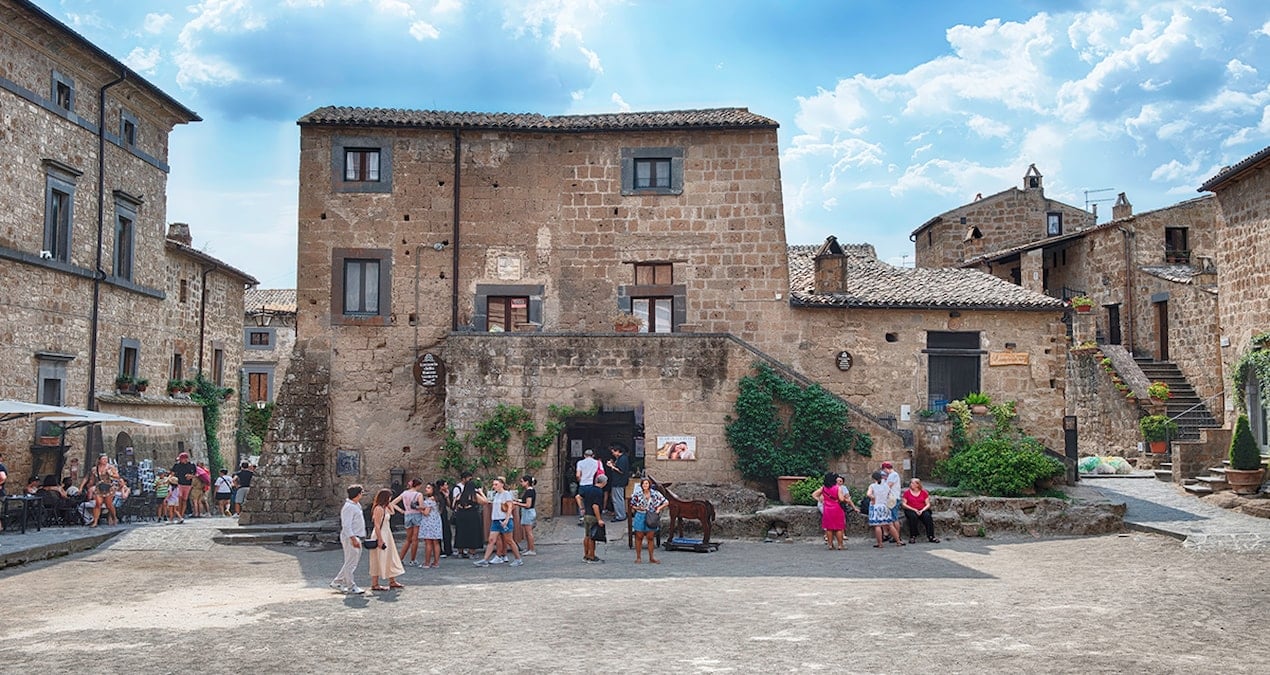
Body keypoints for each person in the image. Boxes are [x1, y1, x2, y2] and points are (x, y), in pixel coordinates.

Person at [474, 477, 523, 567]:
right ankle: (485, 560)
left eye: (496, 484)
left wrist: (506, 520)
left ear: (502, 485)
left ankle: (518, 559)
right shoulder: (496, 495)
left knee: (509, 540)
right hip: (496, 520)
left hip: (504, 520)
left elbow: (509, 508)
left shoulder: (506, 494)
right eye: (494, 484)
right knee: (491, 540)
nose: (494, 486)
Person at [330, 484, 367, 595]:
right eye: (361, 492)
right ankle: (351, 585)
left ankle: (337, 581)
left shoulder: (356, 505)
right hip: (351, 537)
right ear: (358, 494)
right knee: (351, 563)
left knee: (351, 562)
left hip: (356, 536)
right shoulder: (349, 507)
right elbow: (346, 525)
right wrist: (352, 538)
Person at [368, 488, 406, 591]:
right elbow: (376, 524)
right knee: (377, 558)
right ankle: (375, 583)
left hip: (387, 533)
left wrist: (389, 504)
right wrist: (380, 539)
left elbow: (392, 512)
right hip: (380, 534)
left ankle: (392, 580)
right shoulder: (378, 508)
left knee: (389, 556)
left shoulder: (385, 508)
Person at [812, 472, 859, 551]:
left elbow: (814, 494)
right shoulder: (838, 488)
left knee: (829, 528)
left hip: (827, 508)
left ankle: (830, 545)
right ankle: (840, 545)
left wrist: (821, 500)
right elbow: (841, 499)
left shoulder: (823, 488)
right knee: (839, 528)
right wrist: (846, 500)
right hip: (837, 508)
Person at [630, 477, 667, 563]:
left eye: (646, 483)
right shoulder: (637, 494)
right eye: (643, 484)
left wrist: (658, 508)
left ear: (649, 485)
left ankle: (651, 557)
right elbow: (632, 504)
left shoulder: (655, 494)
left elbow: (665, 502)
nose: (645, 485)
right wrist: (638, 507)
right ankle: (638, 557)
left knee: (650, 537)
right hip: (640, 515)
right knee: (639, 536)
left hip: (651, 516)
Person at [867, 471, 905, 548]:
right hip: (885, 506)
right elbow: (889, 495)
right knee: (890, 524)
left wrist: (873, 497)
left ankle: (880, 543)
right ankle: (898, 541)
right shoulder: (886, 486)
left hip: (876, 507)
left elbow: (868, 494)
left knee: (877, 525)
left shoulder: (872, 486)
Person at [392, 478, 425, 567]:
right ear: (418, 485)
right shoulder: (419, 494)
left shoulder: (405, 493)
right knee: (415, 539)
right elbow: (421, 506)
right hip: (416, 515)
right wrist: (418, 507)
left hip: (407, 514)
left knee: (408, 539)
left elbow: (393, 503)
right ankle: (413, 559)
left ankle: (400, 559)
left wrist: (402, 511)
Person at [452, 479, 483, 559]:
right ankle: (472, 552)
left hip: (461, 515)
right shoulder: (474, 496)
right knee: (472, 533)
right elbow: (485, 502)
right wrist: (481, 492)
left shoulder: (460, 495)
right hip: (472, 515)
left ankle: (460, 551)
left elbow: (453, 505)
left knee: (461, 533)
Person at [902, 478, 940, 544]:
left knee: (927, 517)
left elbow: (928, 504)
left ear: (917, 484)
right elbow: (904, 504)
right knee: (913, 517)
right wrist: (914, 509)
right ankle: (913, 536)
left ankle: (931, 536)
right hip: (911, 509)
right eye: (911, 483)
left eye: (913, 483)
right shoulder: (907, 493)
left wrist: (922, 510)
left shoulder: (924, 492)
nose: (911, 484)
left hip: (922, 509)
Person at [581, 471, 607, 563]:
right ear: (604, 483)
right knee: (593, 537)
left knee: (587, 536)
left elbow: (577, 496)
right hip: (592, 516)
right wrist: (599, 519)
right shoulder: (599, 492)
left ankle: (586, 554)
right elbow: (595, 506)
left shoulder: (588, 489)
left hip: (586, 515)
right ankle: (591, 556)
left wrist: (582, 508)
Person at [89, 454, 120, 527]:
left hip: (108, 487)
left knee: (108, 505)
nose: (105, 461)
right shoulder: (94, 469)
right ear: (99, 460)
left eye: (106, 459)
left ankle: (114, 517)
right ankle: (95, 521)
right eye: (103, 459)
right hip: (99, 487)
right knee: (98, 504)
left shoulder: (110, 467)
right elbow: (92, 478)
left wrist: (110, 475)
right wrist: (90, 484)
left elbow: (117, 476)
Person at [419, 482, 443, 568]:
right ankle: (436, 562)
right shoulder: (438, 499)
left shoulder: (430, 500)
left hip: (429, 522)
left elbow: (426, 513)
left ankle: (427, 562)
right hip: (436, 521)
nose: (426, 489)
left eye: (428, 488)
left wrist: (419, 510)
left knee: (428, 543)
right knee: (436, 543)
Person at [606, 446, 630, 522]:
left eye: (613, 452)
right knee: (618, 498)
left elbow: (621, 471)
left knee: (618, 499)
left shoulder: (622, 459)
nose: (613, 454)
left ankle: (620, 516)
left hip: (619, 482)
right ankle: (620, 514)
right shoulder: (622, 458)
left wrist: (612, 466)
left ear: (618, 451)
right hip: (618, 481)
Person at [514, 475, 537, 556]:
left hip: (528, 512)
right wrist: (518, 500)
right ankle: (529, 548)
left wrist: (517, 503)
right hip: (527, 512)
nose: (521, 483)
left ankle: (532, 549)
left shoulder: (529, 491)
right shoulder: (529, 491)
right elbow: (525, 501)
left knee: (529, 532)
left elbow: (528, 505)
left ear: (526, 482)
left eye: (522, 481)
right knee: (527, 532)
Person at [575, 448, 600, 522]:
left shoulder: (580, 463)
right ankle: (593, 515)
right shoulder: (597, 462)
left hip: (583, 484)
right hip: (593, 484)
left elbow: (578, 475)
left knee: (580, 498)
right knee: (592, 500)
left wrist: (579, 480)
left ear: (584, 455)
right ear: (593, 455)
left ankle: (582, 513)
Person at [881, 461, 904, 544]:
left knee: (894, 518)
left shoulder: (893, 475)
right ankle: (891, 534)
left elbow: (888, 486)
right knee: (891, 517)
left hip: (892, 498)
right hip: (892, 498)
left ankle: (897, 536)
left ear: (886, 468)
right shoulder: (892, 475)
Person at [170, 452, 196, 523]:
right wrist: (169, 479)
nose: (180, 460)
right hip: (179, 484)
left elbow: (195, 474)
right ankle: (179, 516)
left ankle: (181, 515)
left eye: (181, 459)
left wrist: (191, 476)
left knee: (184, 500)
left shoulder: (192, 465)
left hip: (188, 484)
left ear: (185, 459)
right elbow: (172, 473)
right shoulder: (177, 465)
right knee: (180, 499)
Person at [435, 479, 453, 558]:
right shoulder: (436, 495)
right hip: (438, 514)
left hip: (444, 514)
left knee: (447, 532)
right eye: (445, 485)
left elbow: (449, 505)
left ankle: (448, 550)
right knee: (439, 532)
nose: (447, 486)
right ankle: (439, 550)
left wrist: (447, 496)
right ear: (441, 486)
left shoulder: (444, 493)